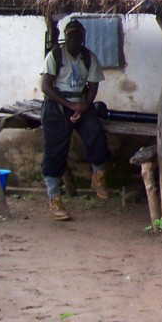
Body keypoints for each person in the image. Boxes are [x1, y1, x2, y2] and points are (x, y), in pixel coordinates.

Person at [39, 19, 112, 220]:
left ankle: (98, 178)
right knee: (55, 149)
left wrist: (84, 106)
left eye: (79, 36)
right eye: (71, 35)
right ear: (66, 36)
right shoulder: (55, 55)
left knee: (95, 133)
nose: (75, 39)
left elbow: (93, 86)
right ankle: (54, 199)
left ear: (83, 37)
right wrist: (70, 105)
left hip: (81, 104)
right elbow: (45, 86)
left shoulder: (88, 57)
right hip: (57, 104)